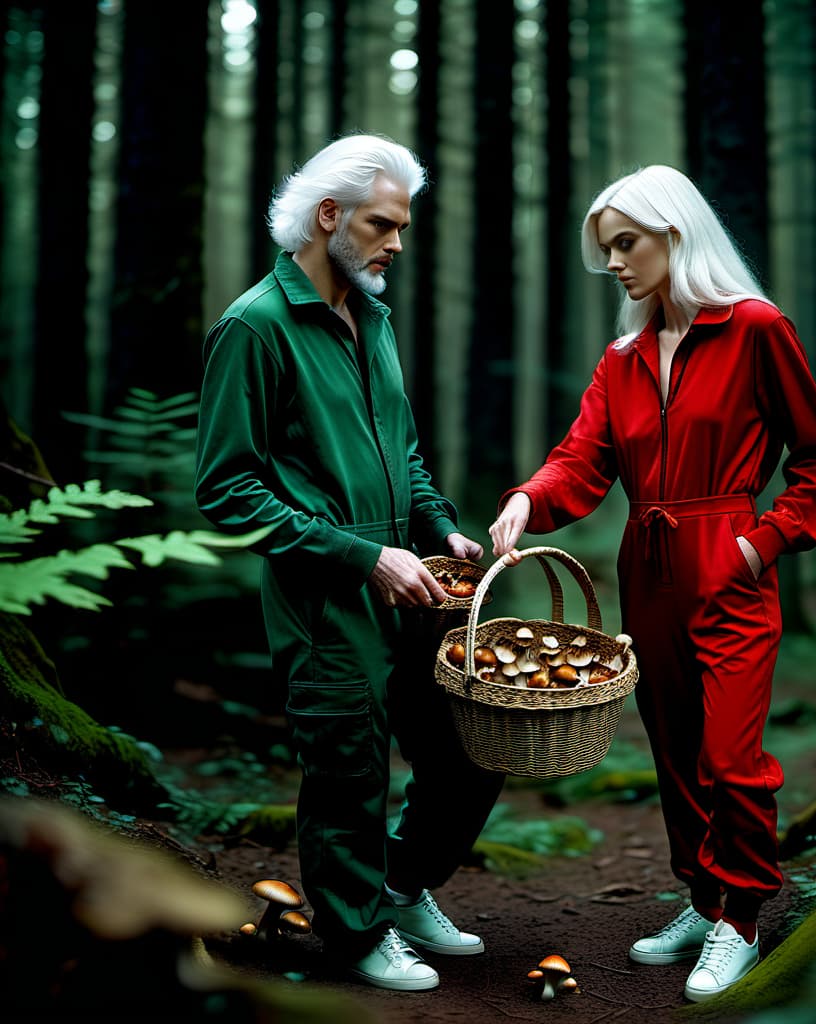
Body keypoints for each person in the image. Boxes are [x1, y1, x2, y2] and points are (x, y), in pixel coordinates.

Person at [488, 164, 816, 1002]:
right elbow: (583, 459)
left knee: (731, 754)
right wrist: (527, 498)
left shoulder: (757, 329)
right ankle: (702, 897)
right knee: (676, 749)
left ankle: (745, 919)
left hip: (726, 556)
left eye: (627, 243)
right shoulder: (622, 358)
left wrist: (758, 547)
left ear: (675, 234)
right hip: (645, 566)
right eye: (607, 248)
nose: (614, 262)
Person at [195, 132, 504, 993]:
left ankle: (400, 889)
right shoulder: (255, 326)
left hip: (415, 580)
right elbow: (228, 489)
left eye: (401, 227)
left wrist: (439, 526)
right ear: (329, 216)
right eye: (383, 224)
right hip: (324, 592)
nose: (396, 243)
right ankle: (355, 933)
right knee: (348, 771)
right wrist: (361, 555)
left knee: (469, 749)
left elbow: (400, 451)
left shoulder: (371, 317)